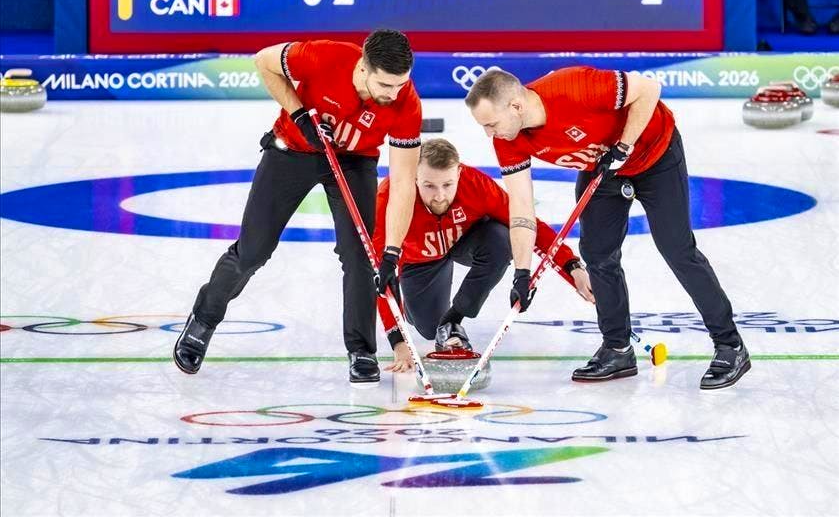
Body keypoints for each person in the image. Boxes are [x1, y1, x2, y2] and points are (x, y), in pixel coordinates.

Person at [465, 67, 750, 390]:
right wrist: (522, 272)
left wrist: (624, 146)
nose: (489, 134)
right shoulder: (509, 140)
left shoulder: (573, 87)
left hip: (654, 156)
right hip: (601, 171)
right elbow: (521, 208)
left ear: (515, 106)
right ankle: (617, 348)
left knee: (677, 249)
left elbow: (649, 89)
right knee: (597, 254)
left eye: (491, 124)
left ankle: (730, 345)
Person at [173, 30, 422, 387]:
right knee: (252, 251)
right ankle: (204, 318)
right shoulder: (324, 57)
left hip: (354, 163)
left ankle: (362, 349)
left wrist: (393, 250)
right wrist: (300, 114)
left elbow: (402, 182)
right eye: (386, 85)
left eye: (400, 85)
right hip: (292, 150)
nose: (393, 94)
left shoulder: (406, 102)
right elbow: (263, 61)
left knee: (362, 257)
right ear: (364, 68)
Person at [372, 138, 594, 373]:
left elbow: (526, 224)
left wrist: (572, 267)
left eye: (448, 184)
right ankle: (427, 314)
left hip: (468, 241)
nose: (439, 196)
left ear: (459, 172)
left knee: (501, 239)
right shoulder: (390, 197)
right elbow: (380, 271)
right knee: (428, 329)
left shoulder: (475, 184)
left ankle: (453, 319)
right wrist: (398, 341)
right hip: (420, 259)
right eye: (429, 186)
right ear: (414, 176)